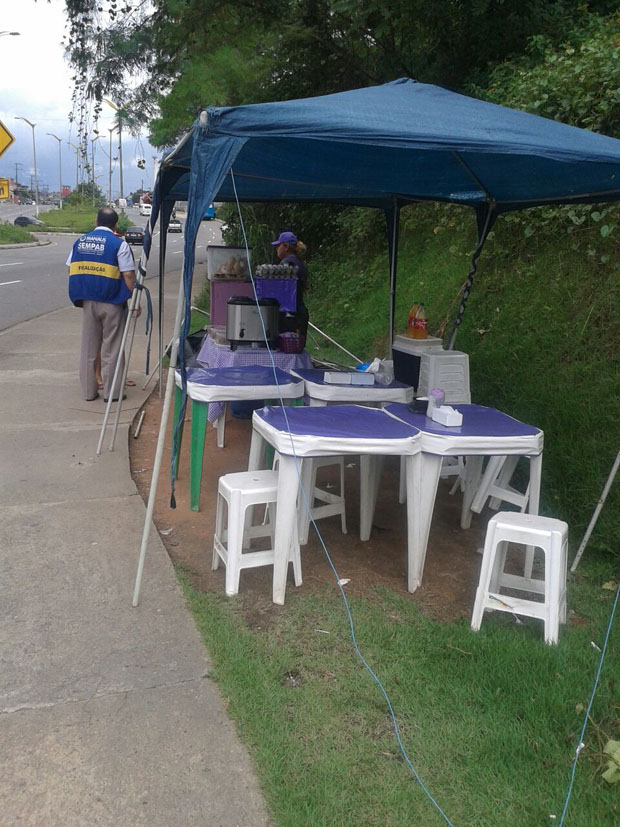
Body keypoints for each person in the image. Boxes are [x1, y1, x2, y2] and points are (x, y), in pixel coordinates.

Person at [67, 206, 137, 401]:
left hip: (87, 301)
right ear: (115, 225)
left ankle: (89, 392)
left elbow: (70, 270)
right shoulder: (119, 244)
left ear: (96, 222)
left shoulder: (79, 242)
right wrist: (132, 299)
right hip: (113, 302)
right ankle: (112, 394)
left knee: (88, 348)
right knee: (111, 348)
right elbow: (129, 275)